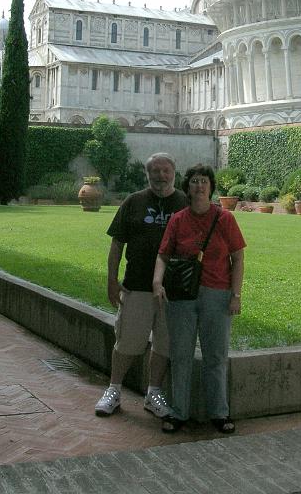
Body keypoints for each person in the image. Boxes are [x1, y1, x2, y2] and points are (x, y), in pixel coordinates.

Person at [152, 163, 245, 435]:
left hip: (218, 294)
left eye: (204, 181)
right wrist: (157, 281)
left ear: (211, 187)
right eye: (195, 181)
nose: (200, 186)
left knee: (216, 356)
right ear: (188, 187)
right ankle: (178, 412)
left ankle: (219, 412)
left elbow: (238, 258)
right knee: (180, 355)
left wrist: (236, 295)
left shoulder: (225, 219)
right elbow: (163, 255)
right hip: (182, 295)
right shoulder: (178, 219)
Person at [95, 153, 187, 418]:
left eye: (165, 170)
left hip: (174, 290)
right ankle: (113, 390)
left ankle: (153, 393)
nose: (160, 175)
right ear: (147, 174)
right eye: (155, 171)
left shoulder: (184, 203)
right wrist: (112, 280)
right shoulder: (133, 202)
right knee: (126, 342)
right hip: (137, 285)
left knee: (164, 344)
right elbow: (117, 244)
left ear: (174, 172)